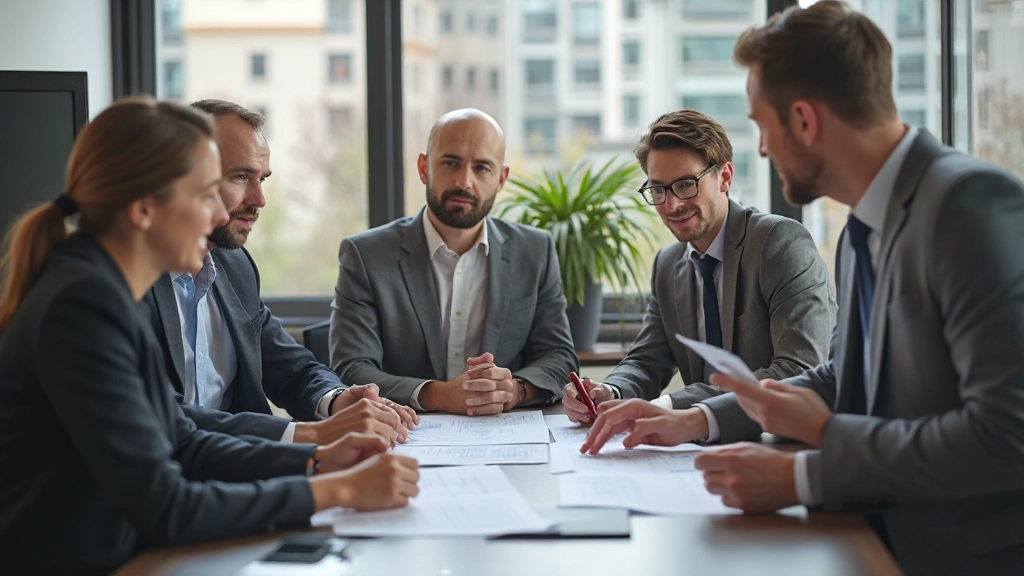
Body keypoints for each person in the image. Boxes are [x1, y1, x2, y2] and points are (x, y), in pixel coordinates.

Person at [582, 3, 1024, 574]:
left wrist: (802, 473)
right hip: (869, 534)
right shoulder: (862, 228)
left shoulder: (967, 205)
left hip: (955, 554)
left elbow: (1007, 436)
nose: (762, 148)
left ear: (804, 120)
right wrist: (696, 420)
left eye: (763, 126)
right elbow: (844, 377)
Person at [0, 98, 420, 575]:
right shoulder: (83, 307)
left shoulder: (102, 288)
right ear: (142, 209)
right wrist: (338, 489)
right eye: (205, 195)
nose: (219, 216)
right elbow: (167, 505)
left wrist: (319, 461)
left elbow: (181, 440)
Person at [140, 99, 418, 446]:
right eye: (240, 177)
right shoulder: (128, 284)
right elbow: (163, 418)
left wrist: (336, 401)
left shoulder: (234, 264)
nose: (259, 200)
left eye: (262, 180)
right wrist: (308, 438)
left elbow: (290, 368)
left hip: (240, 465)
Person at [561, 110, 835, 432]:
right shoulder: (668, 264)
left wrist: (670, 406)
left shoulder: (779, 244)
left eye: (687, 185)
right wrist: (609, 391)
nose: (673, 205)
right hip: (700, 448)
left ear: (725, 177)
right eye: (659, 189)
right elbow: (648, 359)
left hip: (787, 442)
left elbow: (796, 372)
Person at [330, 108, 578, 415]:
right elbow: (352, 368)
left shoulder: (535, 251)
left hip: (504, 433)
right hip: (404, 433)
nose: (464, 181)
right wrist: (437, 395)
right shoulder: (366, 256)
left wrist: (514, 391)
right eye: (450, 163)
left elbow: (559, 356)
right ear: (424, 167)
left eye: (482, 168)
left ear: (501, 179)